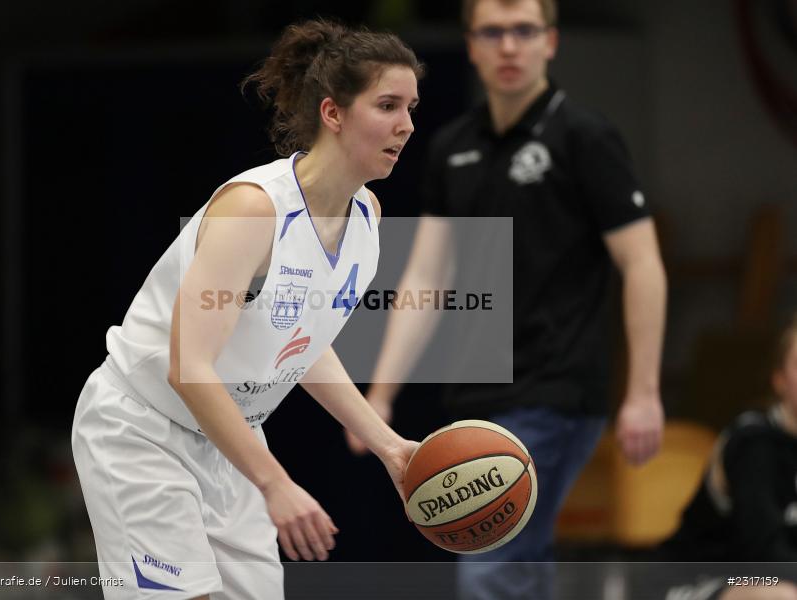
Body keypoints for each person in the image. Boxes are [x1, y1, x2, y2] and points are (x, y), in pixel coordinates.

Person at [71, 19, 424, 600]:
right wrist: (276, 482)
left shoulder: (368, 216)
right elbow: (190, 365)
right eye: (387, 105)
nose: (406, 124)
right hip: (141, 429)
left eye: (411, 106)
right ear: (333, 113)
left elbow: (300, 342)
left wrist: (390, 447)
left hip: (232, 438)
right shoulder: (254, 209)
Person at [345, 0, 667, 598]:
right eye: (493, 33)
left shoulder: (584, 136)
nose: (509, 46)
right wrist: (381, 393)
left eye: (524, 31)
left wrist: (644, 393)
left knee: (488, 554)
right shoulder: (450, 146)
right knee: (522, 560)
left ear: (551, 41)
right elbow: (427, 276)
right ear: (470, 45)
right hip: (476, 391)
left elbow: (642, 262)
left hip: (556, 388)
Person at [658, 314, 797, 600]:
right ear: (779, 380)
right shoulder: (753, 442)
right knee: (782, 596)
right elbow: (765, 551)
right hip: (699, 578)